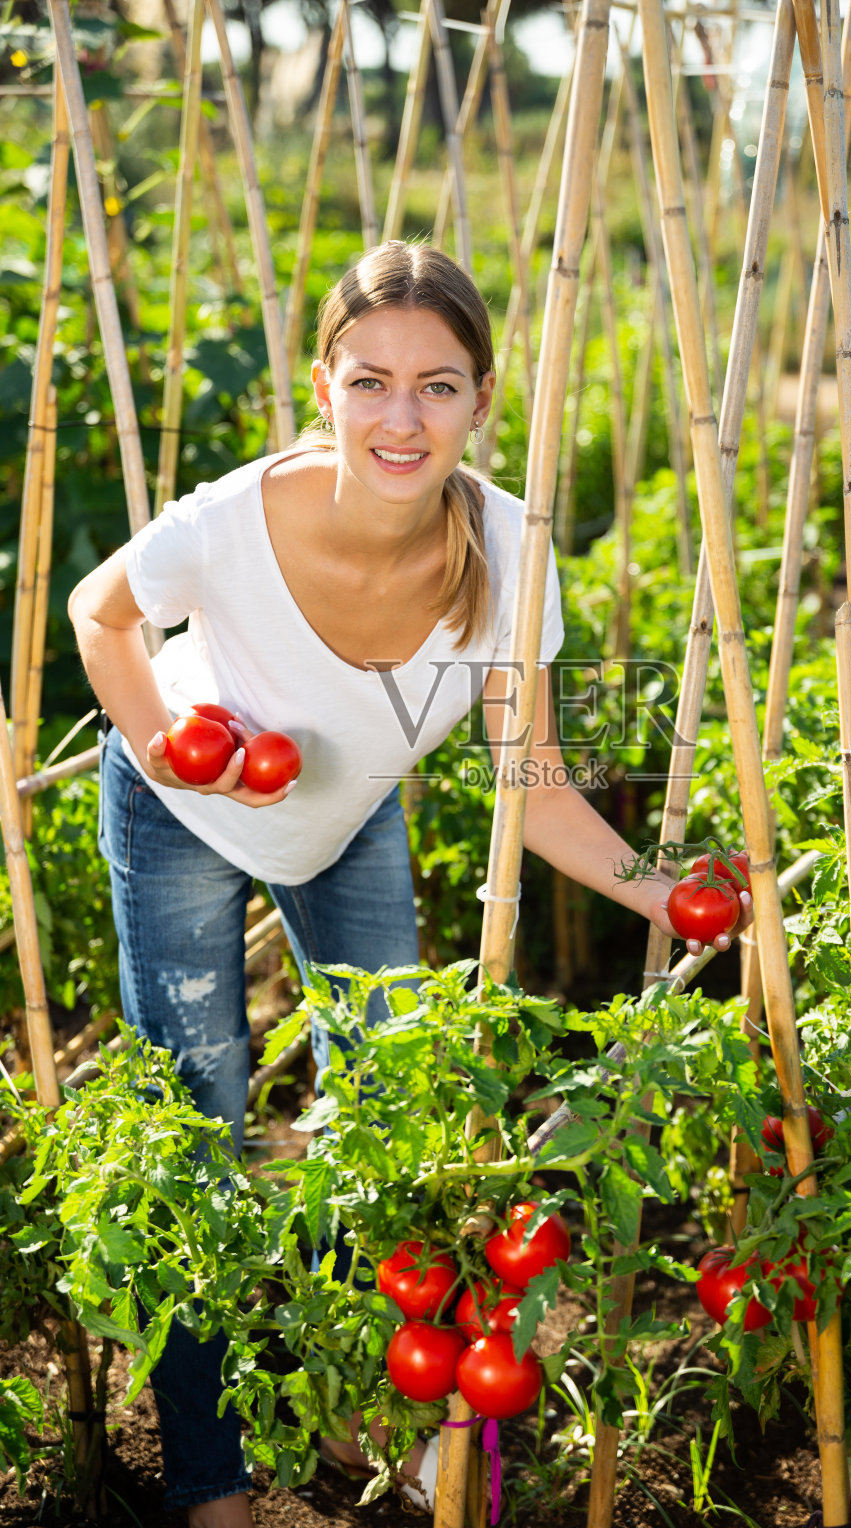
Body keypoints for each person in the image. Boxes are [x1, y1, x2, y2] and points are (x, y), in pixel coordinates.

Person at [67, 242, 752, 1528]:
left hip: (345, 817)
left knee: (401, 1110)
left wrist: (661, 892)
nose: (400, 417)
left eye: (436, 387)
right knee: (200, 1132)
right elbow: (95, 611)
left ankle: (359, 1401)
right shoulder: (229, 520)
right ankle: (210, 1481)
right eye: (370, 380)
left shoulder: (515, 552)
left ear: (480, 402)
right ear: (320, 384)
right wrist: (172, 745)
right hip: (176, 812)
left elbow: (539, 779)